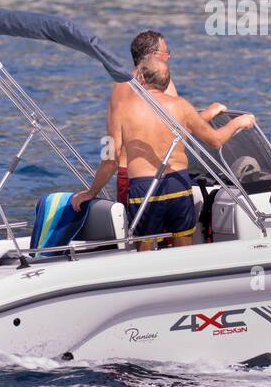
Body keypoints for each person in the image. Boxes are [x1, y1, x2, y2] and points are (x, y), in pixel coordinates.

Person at [72, 58, 255, 250]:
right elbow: (215, 140)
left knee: (145, 250)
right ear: (167, 82)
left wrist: (91, 192)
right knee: (183, 248)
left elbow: (111, 159)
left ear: (141, 79)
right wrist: (238, 122)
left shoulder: (121, 110)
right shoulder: (181, 106)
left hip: (144, 188)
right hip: (178, 183)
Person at [101, 31, 225, 211]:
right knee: (173, 235)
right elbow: (178, 129)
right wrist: (209, 113)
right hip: (156, 175)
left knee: (138, 234)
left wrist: (93, 190)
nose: (169, 57)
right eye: (166, 53)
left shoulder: (119, 85)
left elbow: (113, 146)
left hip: (125, 173)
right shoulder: (162, 83)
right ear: (153, 55)